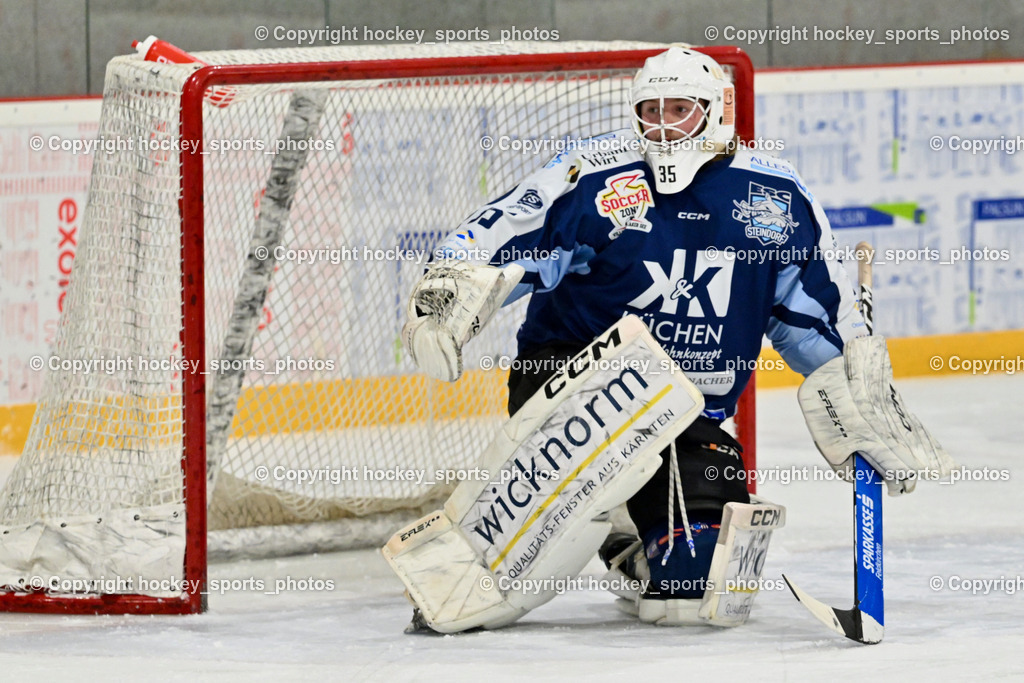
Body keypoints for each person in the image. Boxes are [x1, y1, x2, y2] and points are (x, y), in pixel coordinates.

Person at [395, 46, 954, 631]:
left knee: (695, 590)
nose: (661, 125)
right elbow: (496, 239)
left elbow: (815, 322)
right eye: (650, 111)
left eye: (679, 110)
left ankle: (633, 536)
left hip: (686, 415)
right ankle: (482, 564)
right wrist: (450, 295)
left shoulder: (777, 200)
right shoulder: (597, 176)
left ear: (717, 111)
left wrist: (856, 386)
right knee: (594, 458)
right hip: (572, 387)